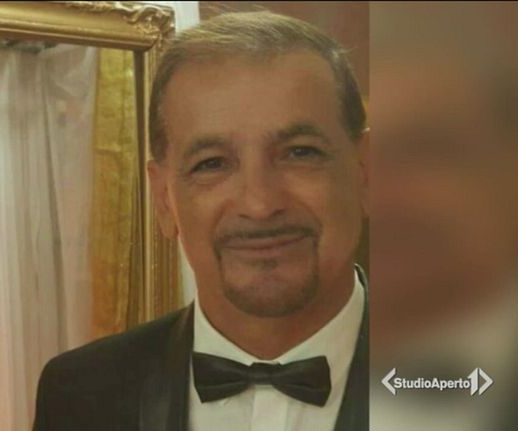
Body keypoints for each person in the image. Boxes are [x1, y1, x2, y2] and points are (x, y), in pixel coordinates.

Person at [34, 11, 369, 431]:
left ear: (367, 171)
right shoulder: (79, 393)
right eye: (212, 164)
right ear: (164, 200)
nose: (260, 204)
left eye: (300, 153)